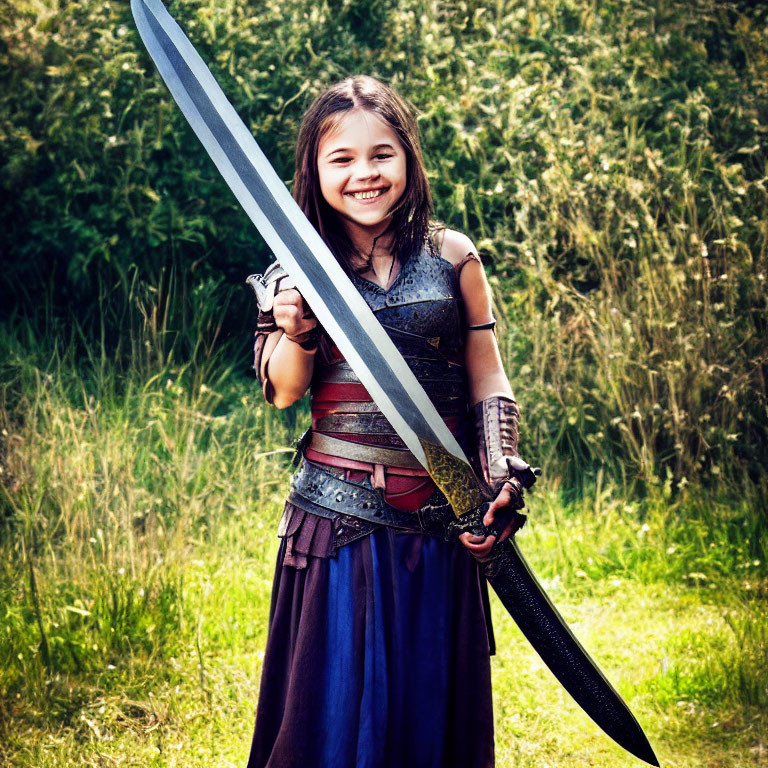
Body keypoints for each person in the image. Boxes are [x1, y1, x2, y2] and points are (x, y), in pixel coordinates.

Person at [246, 75, 531, 768]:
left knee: (427, 709)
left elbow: (486, 371)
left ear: (408, 159)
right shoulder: (293, 271)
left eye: (382, 155)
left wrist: (499, 468)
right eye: (341, 159)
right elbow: (284, 391)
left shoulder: (453, 256)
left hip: (442, 515)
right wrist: (297, 328)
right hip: (338, 524)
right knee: (336, 713)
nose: (364, 174)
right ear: (315, 170)